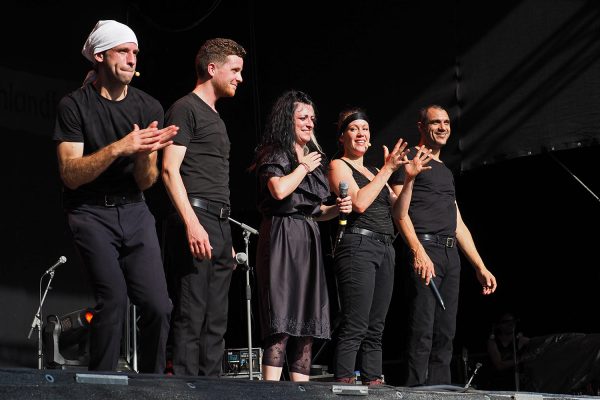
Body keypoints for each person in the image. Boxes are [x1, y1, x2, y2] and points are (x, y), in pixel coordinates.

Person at [53, 20, 177, 372]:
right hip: (89, 211)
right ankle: (102, 386)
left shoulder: (149, 106)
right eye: (123, 50)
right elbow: (70, 174)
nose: (131, 58)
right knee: (113, 300)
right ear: (100, 55)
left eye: (135, 52)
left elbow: (147, 181)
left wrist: (141, 156)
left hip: (134, 211)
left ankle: (152, 388)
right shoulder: (74, 106)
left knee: (158, 306)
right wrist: (119, 148)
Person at [392, 104, 497, 386]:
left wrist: (480, 266)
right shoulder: (410, 159)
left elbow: (458, 223)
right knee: (422, 330)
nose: (442, 127)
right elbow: (399, 213)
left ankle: (440, 392)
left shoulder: (446, 172)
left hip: (450, 254)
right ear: (421, 127)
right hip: (426, 249)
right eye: (435, 122)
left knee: (446, 333)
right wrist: (417, 251)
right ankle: (415, 391)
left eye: (446, 122)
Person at [327, 107, 432, 385]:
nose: (360, 133)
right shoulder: (339, 165)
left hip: (384, 247)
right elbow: (359, 203)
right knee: (355, 323)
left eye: (365, 129)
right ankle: (344, 382)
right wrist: (387, 169)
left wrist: (407, 178)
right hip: (357, 244)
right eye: (353, 128)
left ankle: (374, 381)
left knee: (376, 327)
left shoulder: (375, 171)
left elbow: (399, 212)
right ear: (342, 137)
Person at [252, 90, 352, 382]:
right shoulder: (275, 152)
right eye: (302, 118)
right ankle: (271, 392)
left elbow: (316, 210)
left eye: (312, 118)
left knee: (306, 328)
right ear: (288, 120)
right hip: (282, 236)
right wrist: (304, 167)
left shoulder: (311, 160)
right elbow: (280, 190)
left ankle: (301, 393)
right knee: (281, 324)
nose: (309, 123)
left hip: (307, 238)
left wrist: (336, 208)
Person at [161, 38, 246, 376]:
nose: (239, 78)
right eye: (235, 70)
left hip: (220, 224)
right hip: (196, 218)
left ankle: (215, 390)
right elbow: (169, 170)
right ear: (212, 69)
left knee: (216, 321)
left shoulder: (216, 117)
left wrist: (225, 235)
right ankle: (185, 390)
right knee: (192, 315)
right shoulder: (185, 108)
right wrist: (192, 223)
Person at [486, 312, 529, 390]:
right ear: (498, 325)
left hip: (518, 384)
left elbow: (538, 345)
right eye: (506, 322)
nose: (511, 324)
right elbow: (499, 365)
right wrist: (521, 359)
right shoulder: (493, 342)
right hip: (498, 385)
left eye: (512, 321)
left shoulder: (521, 340)